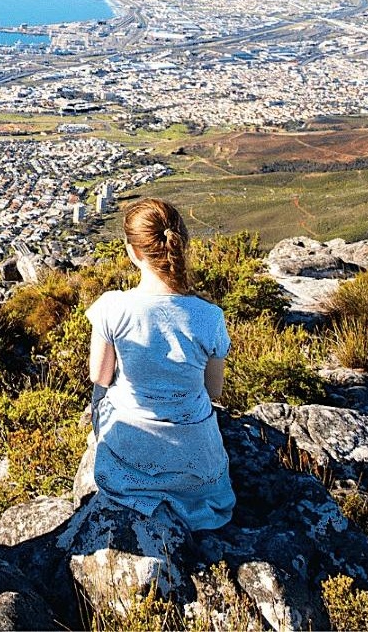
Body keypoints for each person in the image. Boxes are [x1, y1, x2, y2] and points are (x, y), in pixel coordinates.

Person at [85, 197, 235, 530]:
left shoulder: (113, 307)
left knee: (101, 396)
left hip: (130, 457)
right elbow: (213, 391)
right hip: (198, 466)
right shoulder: (210, 316)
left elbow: (100, 375)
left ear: (134, 252)